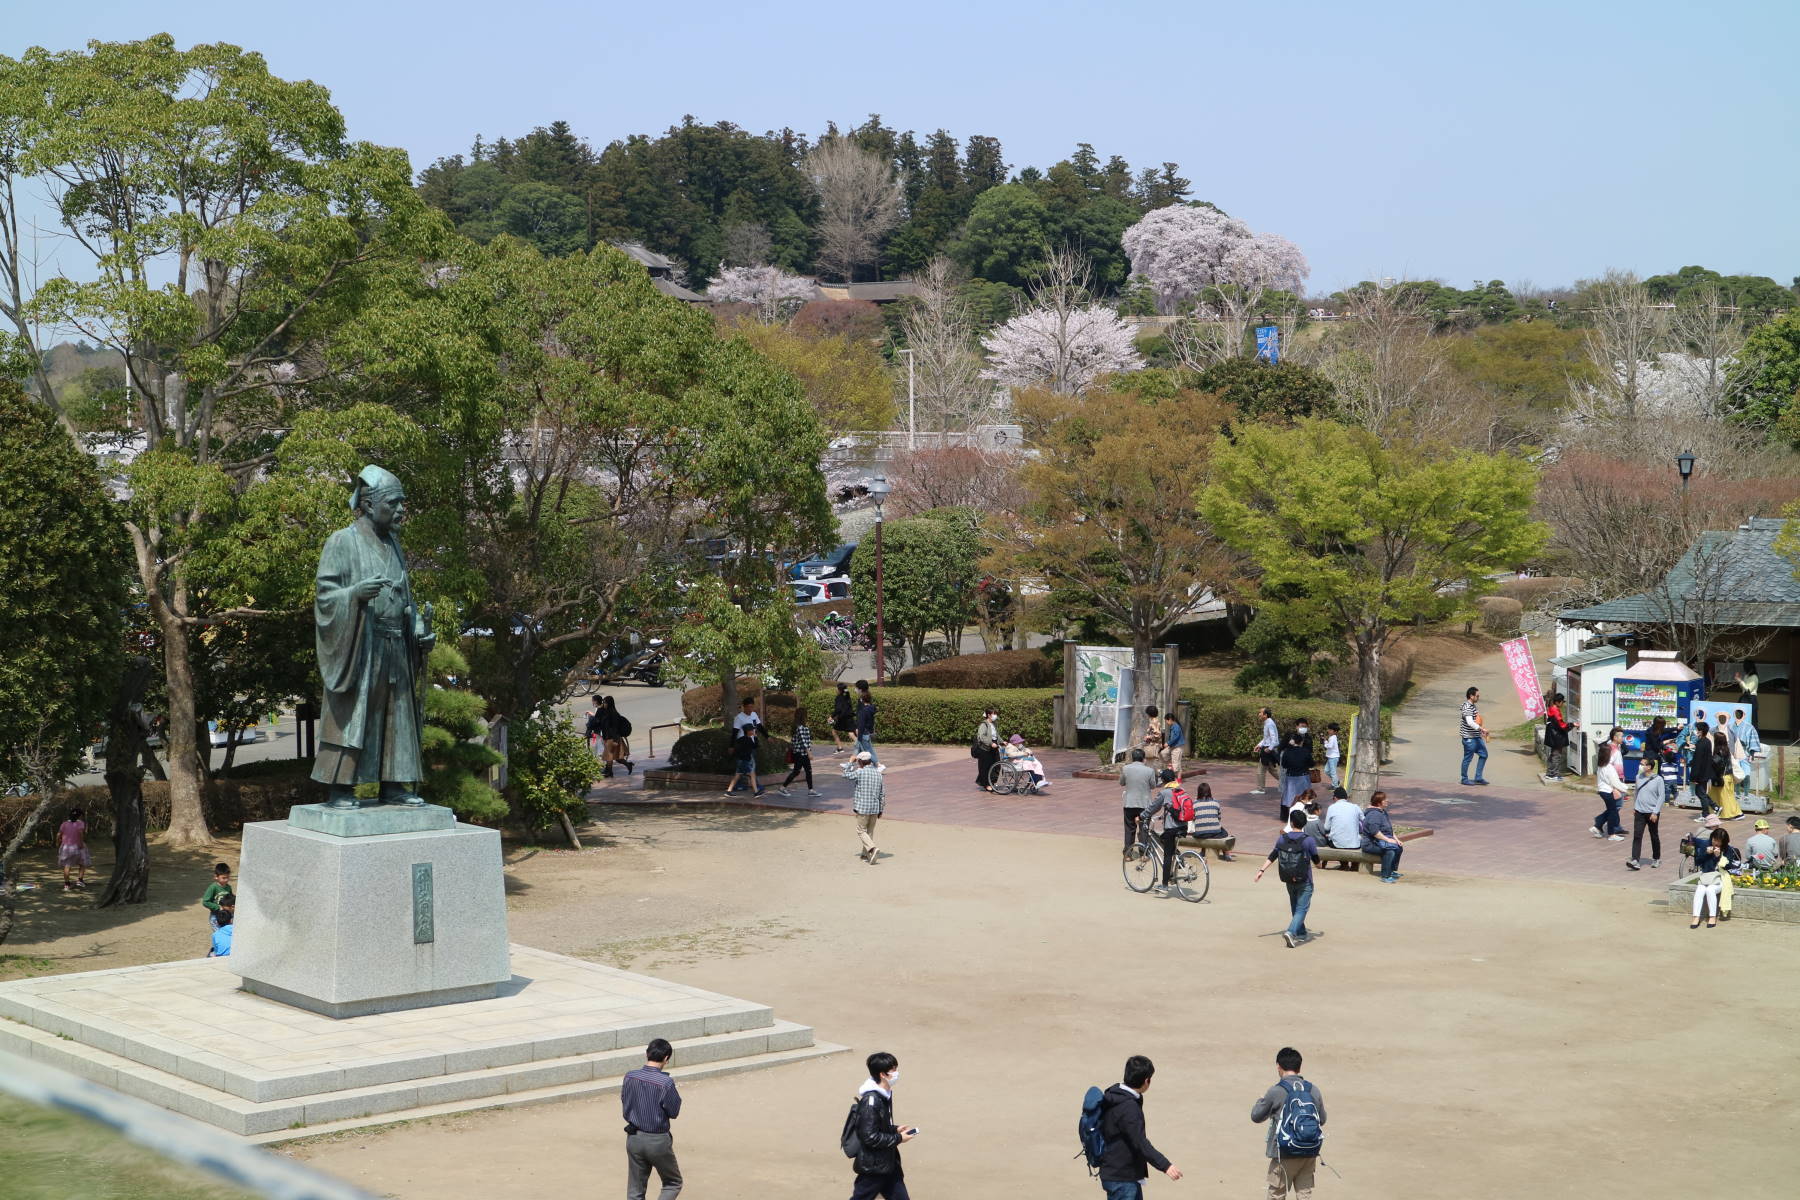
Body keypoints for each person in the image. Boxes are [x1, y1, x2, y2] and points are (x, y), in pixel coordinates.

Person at [1097, 1055, 1181, 1198]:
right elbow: (1140, 1143)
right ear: (1146, 1081)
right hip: (1122, 1178)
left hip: (1117, 1172)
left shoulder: (1115, 1093)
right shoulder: (1129, 1108)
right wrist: (1166, 1166)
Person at [1251, 1046, 1327, 1200]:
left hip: (1283, 1152)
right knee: (1304, 1194)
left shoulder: (1276, 1091)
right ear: (1299, 1067)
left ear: (1278, 1066)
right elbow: (1322, 1120)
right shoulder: (1313, 1090)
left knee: (1276, 1194)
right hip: (1309, 1151)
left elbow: (1256, 1116)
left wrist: (1261, 1101)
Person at [622, 1037, 683, 1200]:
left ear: (647, 1053)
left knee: (635, 1190)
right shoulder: (665, 1082)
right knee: (673, 1182)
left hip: (634, 1137)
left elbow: (625, 1102)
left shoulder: (629, 1077)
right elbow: (674, 1111)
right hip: (657, 1140)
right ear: (666, 1058)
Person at [849, 1052, 915, 1200]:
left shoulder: (884, 1094)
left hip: (888, 1163)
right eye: (893, 1070)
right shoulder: (871, 1102)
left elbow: (877, 1126)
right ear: (882, 1074)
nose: (896, 1073)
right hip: (874, 1167)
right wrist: (898, 1138)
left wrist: (894, 1129)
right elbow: (870, 1137)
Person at [1255, 810, 1321, 948]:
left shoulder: (1282, 838)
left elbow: (1273, 855)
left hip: (1288, 877)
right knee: (1302, 908)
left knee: (1295, 906)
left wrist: (1261, 870)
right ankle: (1291, 932)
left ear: (1291, 823)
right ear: (1304, 824)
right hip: (1305, 879)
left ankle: (1301, 932)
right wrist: (1319, 865)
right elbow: (1316, 860)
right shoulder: (1308, 840)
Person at [1142, 769, 1187, 892]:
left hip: (1171, 828)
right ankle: (1179, 859)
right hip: (1183, 825)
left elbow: (1153, 807)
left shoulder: (1165, 792)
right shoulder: (1181, 790)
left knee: (1167, 855)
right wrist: (1162, 817)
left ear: (1164, 780)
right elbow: (1174, 810)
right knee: (1166, 842)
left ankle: (1164, 885)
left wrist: (1142, 815)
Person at [1690, 826, 1741, 930]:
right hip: (1706, 877)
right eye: (1714, 840)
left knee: (1710, 890)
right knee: (1699, 890)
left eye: (1718, 842)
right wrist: (1706, 854)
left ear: (1723, 842)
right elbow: (1698, 862)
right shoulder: (1706, 845)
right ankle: (1696, 917)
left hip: (1721, 878)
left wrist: (1718, 857)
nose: (1715, 843)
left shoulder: (1728, 850)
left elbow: (1729, 866)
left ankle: (1712, 917)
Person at [844, 751, 886, 864]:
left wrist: (850, 762)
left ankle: (872, 848)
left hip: (863, 806)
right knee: (870, 831)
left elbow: (846, 775)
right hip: (875, 807)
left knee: (861, 830)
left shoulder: (860, 772)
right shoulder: (878, 773)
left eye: (858, 761)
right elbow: (882, 793)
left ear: (861, 762)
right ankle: (866, 854)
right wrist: (881, 809)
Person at [1627, 763, 1665, 871]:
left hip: (1652, 812)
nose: (1640, 766)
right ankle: (1635, 860)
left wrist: (1655, 812)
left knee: (1654, 835)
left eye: (1643, 764)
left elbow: (1661, 796)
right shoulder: (1638, 777)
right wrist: (1635, 806)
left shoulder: (1658, 780)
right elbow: (1636, 792)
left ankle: (1656, 858)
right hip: (1639, 811)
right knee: (1637, 835)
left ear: (1649, 766)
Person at [1360, 791, 1405, 882]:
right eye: (1384, 799)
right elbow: (1375, 832)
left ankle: (1391, 871)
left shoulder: (1382, 812)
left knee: (1399, 847)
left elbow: (1388, 829)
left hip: (1380, 841)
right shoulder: (1374, 814)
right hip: (1370, 844)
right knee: (1390, 851)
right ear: (1378, 802)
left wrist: (1396, 839)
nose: (1387, 801)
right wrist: (1388, 840)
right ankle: (1385, 876)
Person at [1118, 749, 1158, 852]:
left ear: (1132, 758)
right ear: (1143, 759)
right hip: (1144, 804)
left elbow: (1122, 783)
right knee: (1144, 828)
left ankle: (1128, 852)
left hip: (1129, 803)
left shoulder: (1125, 768)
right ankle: (1143, 853)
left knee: (1129, 829)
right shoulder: (1149, 770)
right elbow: (1153, 786)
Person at [1187, 782, 1236, 860]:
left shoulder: (1194, 803)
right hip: (1215, 832)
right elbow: (1219, 818)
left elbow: (1192, 818)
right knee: (1224, 832)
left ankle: (1203, 851)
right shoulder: (1215, 803)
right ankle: (1226, 854)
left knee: (1203, 828)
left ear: (1199, 792)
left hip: (1200, 834)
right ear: (1209, 791)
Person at [779, 706, 819, 797]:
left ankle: (811, 790)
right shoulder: (800, 727)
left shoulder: (798, 727)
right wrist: (809, 753)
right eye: (806, 714)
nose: (807, 716)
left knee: (808, 771)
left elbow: (793, 741)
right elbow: (803, 741)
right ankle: (782, 788)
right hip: (801, 753)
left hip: (800, 753)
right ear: (803, 716)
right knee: (797, 771)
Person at [723, 717, 766, 799]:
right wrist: (756, 737)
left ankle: (728, 791)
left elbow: (737, 750)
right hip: (745, 761)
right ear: (749, 731)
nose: (753, 731)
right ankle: (756, 792)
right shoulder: (749, 740)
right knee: (752, 775)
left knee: (737, 776)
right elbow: (755, 746)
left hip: (740, 761)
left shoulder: (740, 739)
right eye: (752, 730)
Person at [1591, 743, 1626, 842]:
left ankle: (1598, 826)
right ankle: (1611, 834)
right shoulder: (1609, 767)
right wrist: (1625, 788)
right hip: (1607, 791)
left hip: (1602, 791)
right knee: (1613, 812)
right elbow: (1614, 782)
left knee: (1611, 810)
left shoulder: (1600, 765)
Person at [1541, 693, 1577, 783]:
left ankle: (1549, 773)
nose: (1563, 704)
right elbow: (1562, 725)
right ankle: (1554, 775)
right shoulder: (1556, 711)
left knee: (1552, 755)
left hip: (1552, 736)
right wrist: (1572, 725)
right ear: (1558, 702)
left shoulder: (1551, 709)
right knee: (1556, 756)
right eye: (1562, 702)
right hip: (1557, 737)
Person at [1459, 685, 1489, 786]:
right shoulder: (1467, 707)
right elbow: (1470, 722)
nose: (1478, 698)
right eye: (1477, 696)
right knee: (1468, 758)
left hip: (1476, 737)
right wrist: (1481, 729)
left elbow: (1475, 722)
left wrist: (1481, 732)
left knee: (1484, 755)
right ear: (1471, 696)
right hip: (1469, 739)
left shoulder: (1472, 706)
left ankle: (1478, 777)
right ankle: (1464, 778)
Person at [1278, 734, 1313, 821]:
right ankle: (1305, 815)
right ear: (1301, 742)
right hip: (1303, 776)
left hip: (1291, 777)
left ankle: (1291, 817)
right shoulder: (1305, 751)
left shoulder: (1287, 751)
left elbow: (1284, 765)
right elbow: (1312, 763)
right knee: (1305, 797)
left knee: (1290, 797)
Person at [599, 696, 636, 777]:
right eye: (603, 702)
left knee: (609, 756)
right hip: (607, 737)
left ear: (609, 703)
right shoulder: (605, 712)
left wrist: (615, 741)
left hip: (612, 738)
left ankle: (609, 772)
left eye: (605, 702)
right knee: (617, 758)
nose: (604, 704)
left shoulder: (613, 714)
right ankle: (628, 765)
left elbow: (615, 728)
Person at [1712, 729, 1743, 821]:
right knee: (1729, 796)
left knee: (1723, 797)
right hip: (1729, 777)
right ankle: (1734, 813)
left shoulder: (1719, 751)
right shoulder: (1727, 750)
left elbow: (1715, 763)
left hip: (1722, 777)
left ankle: (1733, 814)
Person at [1687, 721, 1716, 819]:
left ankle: (1706, 814)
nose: (1696, 731)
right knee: (1701, 792)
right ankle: (1715, 807)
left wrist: (1694, 777)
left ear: (1701, 731)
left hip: (1700, 774)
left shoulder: (1700, 743)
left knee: (1700, 793)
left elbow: (1698, 761)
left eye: (1697, 729)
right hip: (1706, 772)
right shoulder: (1707, 741)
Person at [57, 807, 90, 891]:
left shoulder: (64, 824)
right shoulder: (80, 823)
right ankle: (80, 880)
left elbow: (58, 835)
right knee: (82, 864)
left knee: (67, 866)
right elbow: (81, 833)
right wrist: (81, 843)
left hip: (66, 848)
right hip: (78, 847)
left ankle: (67, 885)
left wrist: (58, 842)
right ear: (79, 816)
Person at [1323, 788, 1363, 855]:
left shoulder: (1332, 807)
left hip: (1337, 845)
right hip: (1355, 844)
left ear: (1335, 798)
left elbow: (1326, 827)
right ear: (1346, 797)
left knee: (1330, 837)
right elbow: (1364, 821)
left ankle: (1344, 864)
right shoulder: (1355, 807)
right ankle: (1354, 864)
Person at [1252, 707, 1280, 795]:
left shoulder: (1269, 724)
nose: (1259, 714)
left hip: (1267, 749)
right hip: (1267, 748)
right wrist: (1259, 745)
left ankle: (1260, 789)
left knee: (1261, 770)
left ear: (1265, 715)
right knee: (1272, 769)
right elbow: (1266, 738)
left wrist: (1269, 748)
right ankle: (1287, 782)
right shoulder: (1267, 723)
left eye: (1260, 712)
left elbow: (1274, 739)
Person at [973, 706, 1000, 791]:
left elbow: (996, 736)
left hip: (994, 747)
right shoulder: (983, 725)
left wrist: (1002, 741)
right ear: (989, 715)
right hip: (985, 749)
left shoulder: (994, 724)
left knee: (996, 765)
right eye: (994, 714)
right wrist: (991, 743)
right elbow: (982, 737)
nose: (995, 715)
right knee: (985, 767)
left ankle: (992, 782)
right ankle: (986, 784)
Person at [201, 862, 233, 929]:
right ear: (216, 877)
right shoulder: (213, 888)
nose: (226, 880)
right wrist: (218, 907)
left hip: (227, 916)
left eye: (228, 877)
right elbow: (205, 902)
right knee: (219, 933)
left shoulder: (228, 887)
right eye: (224, 878)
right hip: (215, 916)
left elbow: (230, 899)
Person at [855, 681, 878, 763]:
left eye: (856, 688)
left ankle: (877, 764)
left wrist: (858, 729)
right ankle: (853, 764)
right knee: (859, 749)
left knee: (867, 751)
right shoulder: (868, 700)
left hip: (863, 731)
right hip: (865, 731)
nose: (855, 690)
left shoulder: (862, 703)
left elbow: (861, 718)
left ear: (860, 689)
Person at [830, 681, 855, 753]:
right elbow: (846, 691)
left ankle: (840, 747)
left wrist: (831, 716)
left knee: (834, 731)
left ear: (839, 690)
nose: (836, 690)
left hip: (842, 718)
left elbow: (838, 709)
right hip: (849, 717)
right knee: (851, 733)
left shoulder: (839, 698)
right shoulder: (847, 696)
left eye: (837, 688)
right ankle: (860, 748)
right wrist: (845, 688)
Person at [1163, 711, 1186, 778]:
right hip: (1173, 747)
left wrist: (1168, 743)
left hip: (1177, 747)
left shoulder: (1176, 726)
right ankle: (1170, 765)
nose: (1166, 723)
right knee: (1163, 754)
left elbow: (1175, 737)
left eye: (1166, 721)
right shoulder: (1174, 726)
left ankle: (1176, 779)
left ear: (1170, 719)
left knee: (1176, 765)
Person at [1321, 723, 1340, 789]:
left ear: (1335, 731)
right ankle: (1336, 781)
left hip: (1333, 757)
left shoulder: (1333, 738)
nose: (1328, 730)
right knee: (1326, 770)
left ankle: (1336, 786)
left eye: (1330, 730)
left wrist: (1325, 743)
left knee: (1332, 772)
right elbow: (1330, 745)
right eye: (1329, 729)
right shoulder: (1332, 737)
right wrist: (1325, 741)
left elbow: (1330, 746)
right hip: (1331, 757)